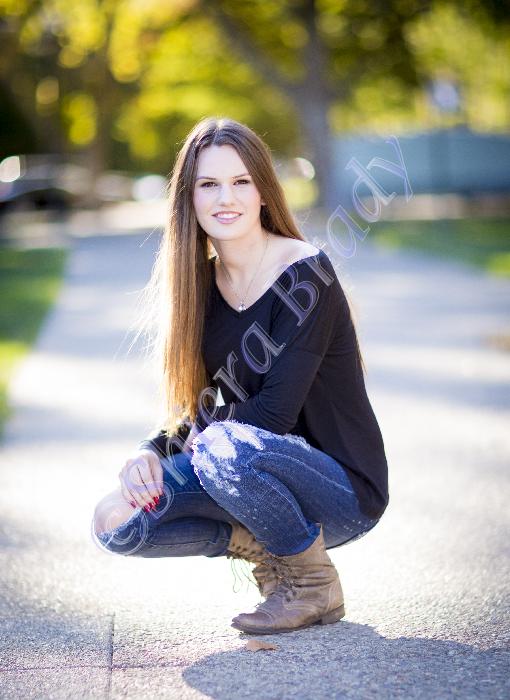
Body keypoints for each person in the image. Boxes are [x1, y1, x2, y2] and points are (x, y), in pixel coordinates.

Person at [92, 116, 389, 635]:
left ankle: (313, 582)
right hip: (239, 466)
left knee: (220, 442)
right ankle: (267, 550)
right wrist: (151, 451)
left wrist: (199, 437)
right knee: (117, 520)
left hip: (339, 491)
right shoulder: (199, 288)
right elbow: (210, 406)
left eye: (240, 181)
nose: (225, 198)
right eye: (208, 184)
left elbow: (272, 415)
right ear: (188, 199)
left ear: (263, 192)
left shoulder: (306, 273)